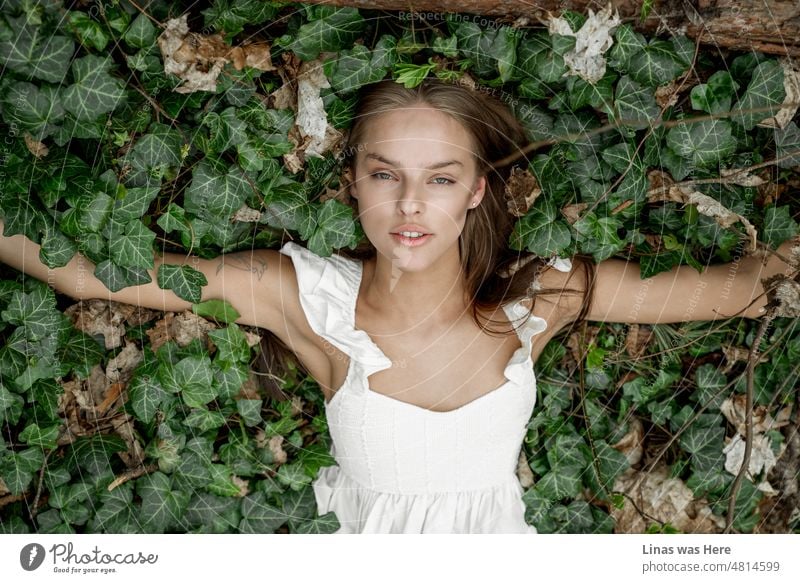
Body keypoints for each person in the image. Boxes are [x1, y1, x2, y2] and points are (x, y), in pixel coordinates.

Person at [0, 78, 795, 534]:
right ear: (353, 181)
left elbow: (735, 288)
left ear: (478, 189)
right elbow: (90, 274)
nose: (410, 203)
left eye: (441, 178)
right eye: (386, 174)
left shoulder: (539, 294)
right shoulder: (304, 297)